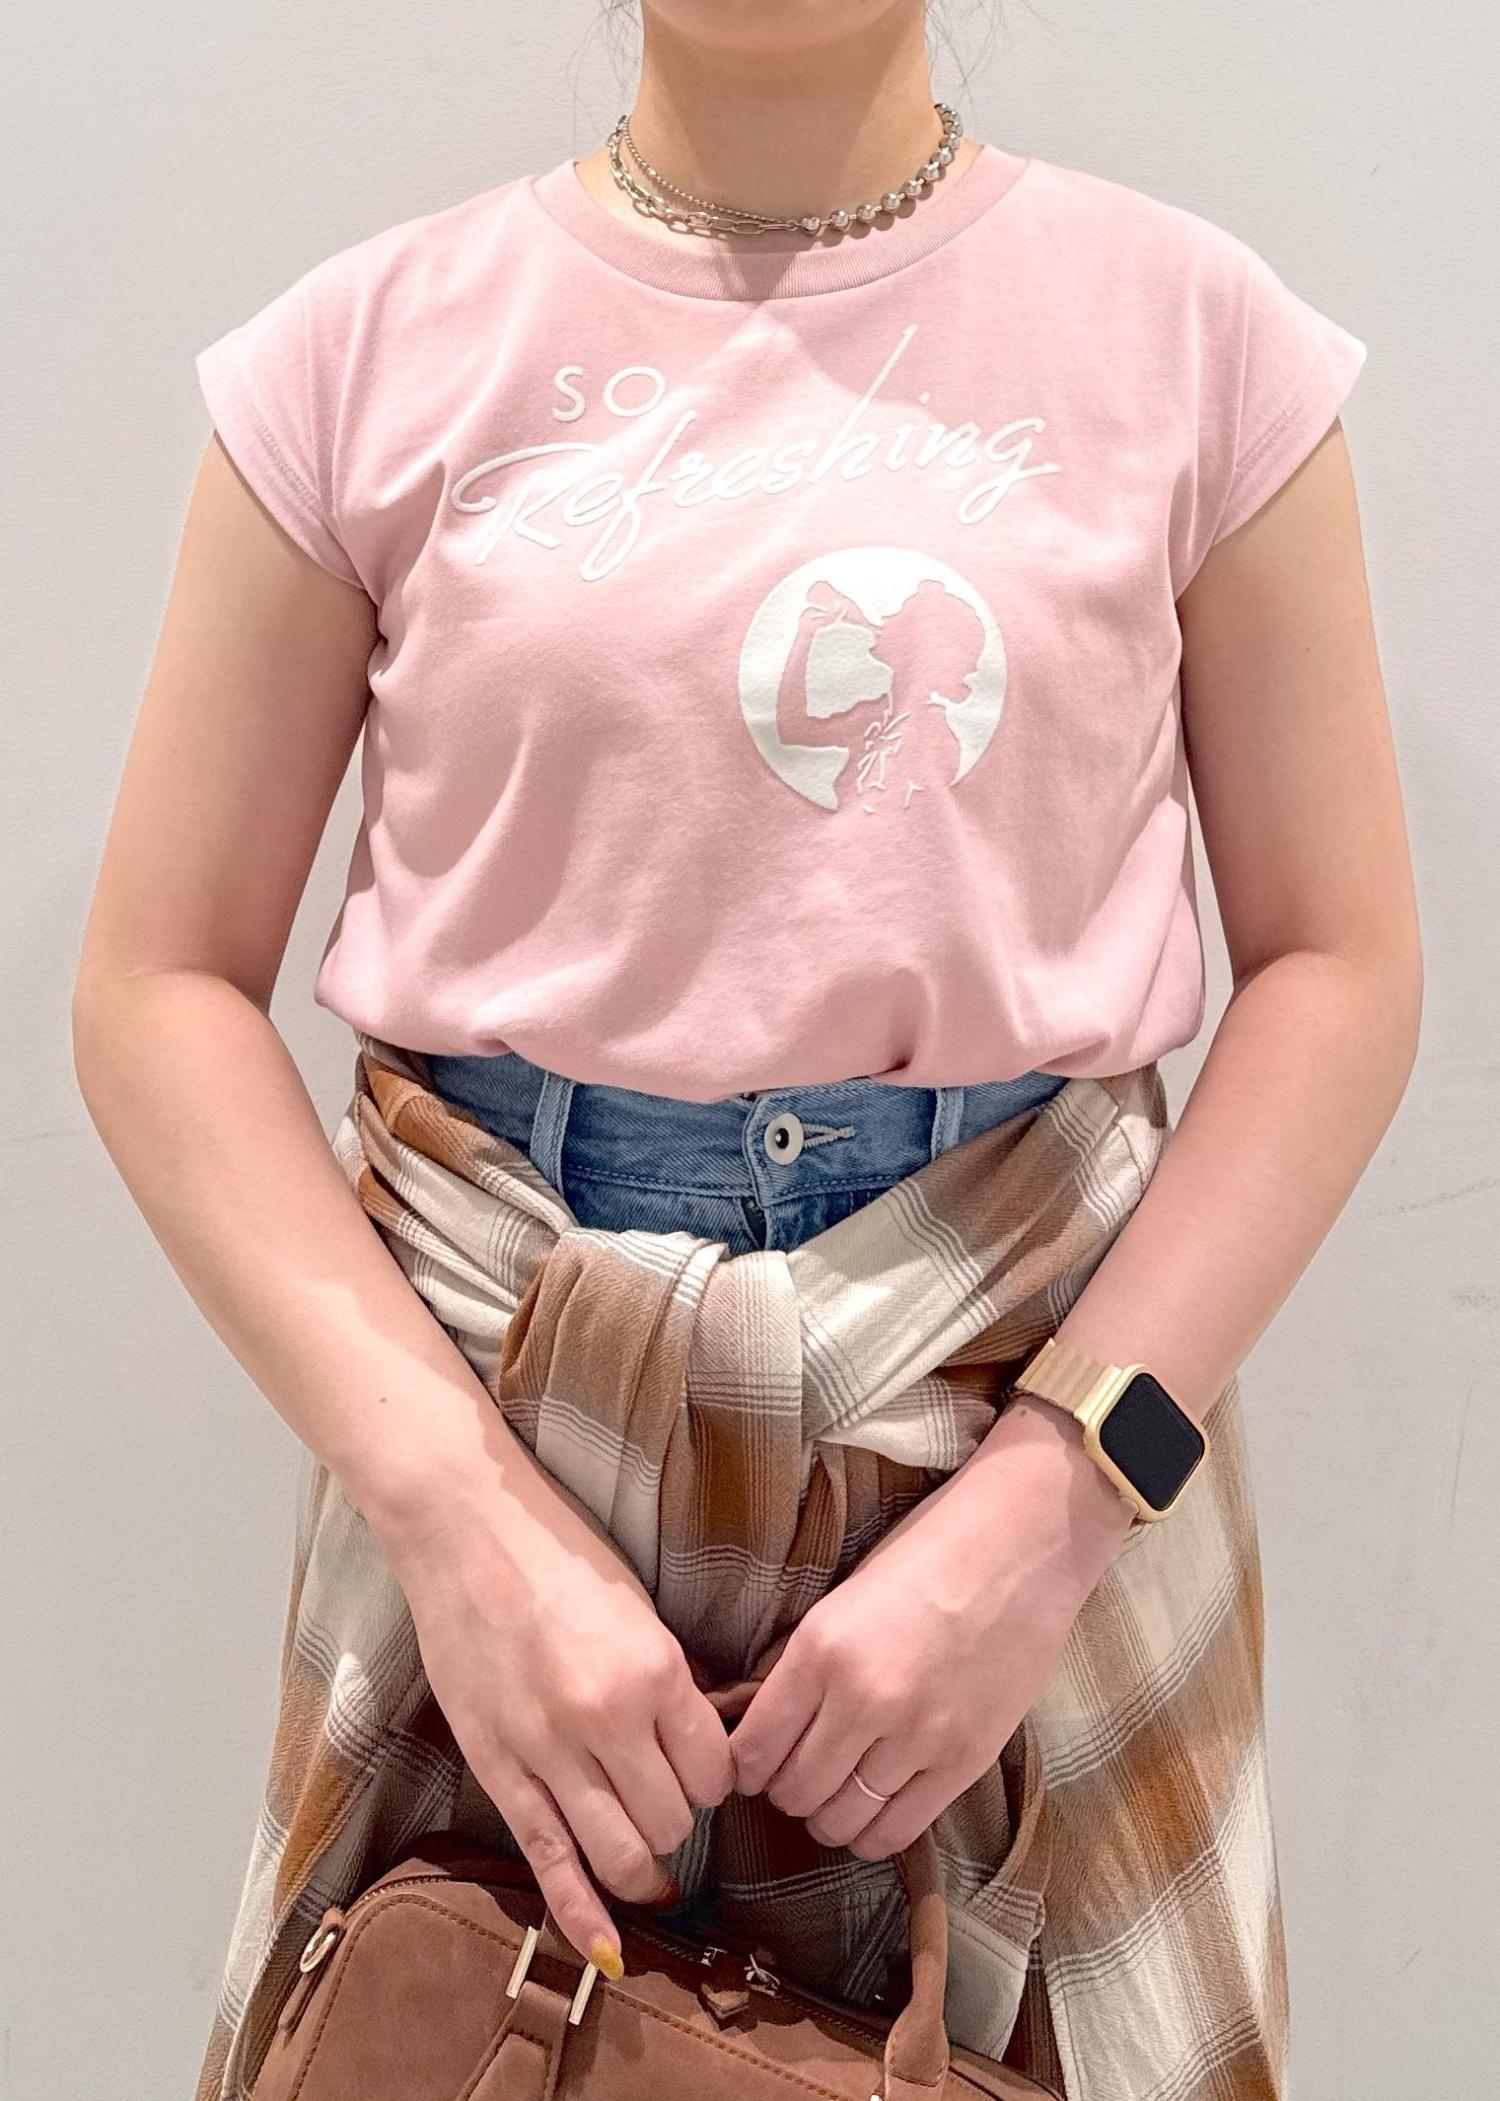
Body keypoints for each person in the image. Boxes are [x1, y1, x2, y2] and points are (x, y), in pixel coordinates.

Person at [70, 3, 1421, 2096]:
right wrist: (458, 1519)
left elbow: (1340, 965)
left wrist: (1059, 1507)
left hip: (1028, 1400)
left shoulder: (1197, 341)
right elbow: (156, 981)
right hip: (500, 1420)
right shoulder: (358, 358)